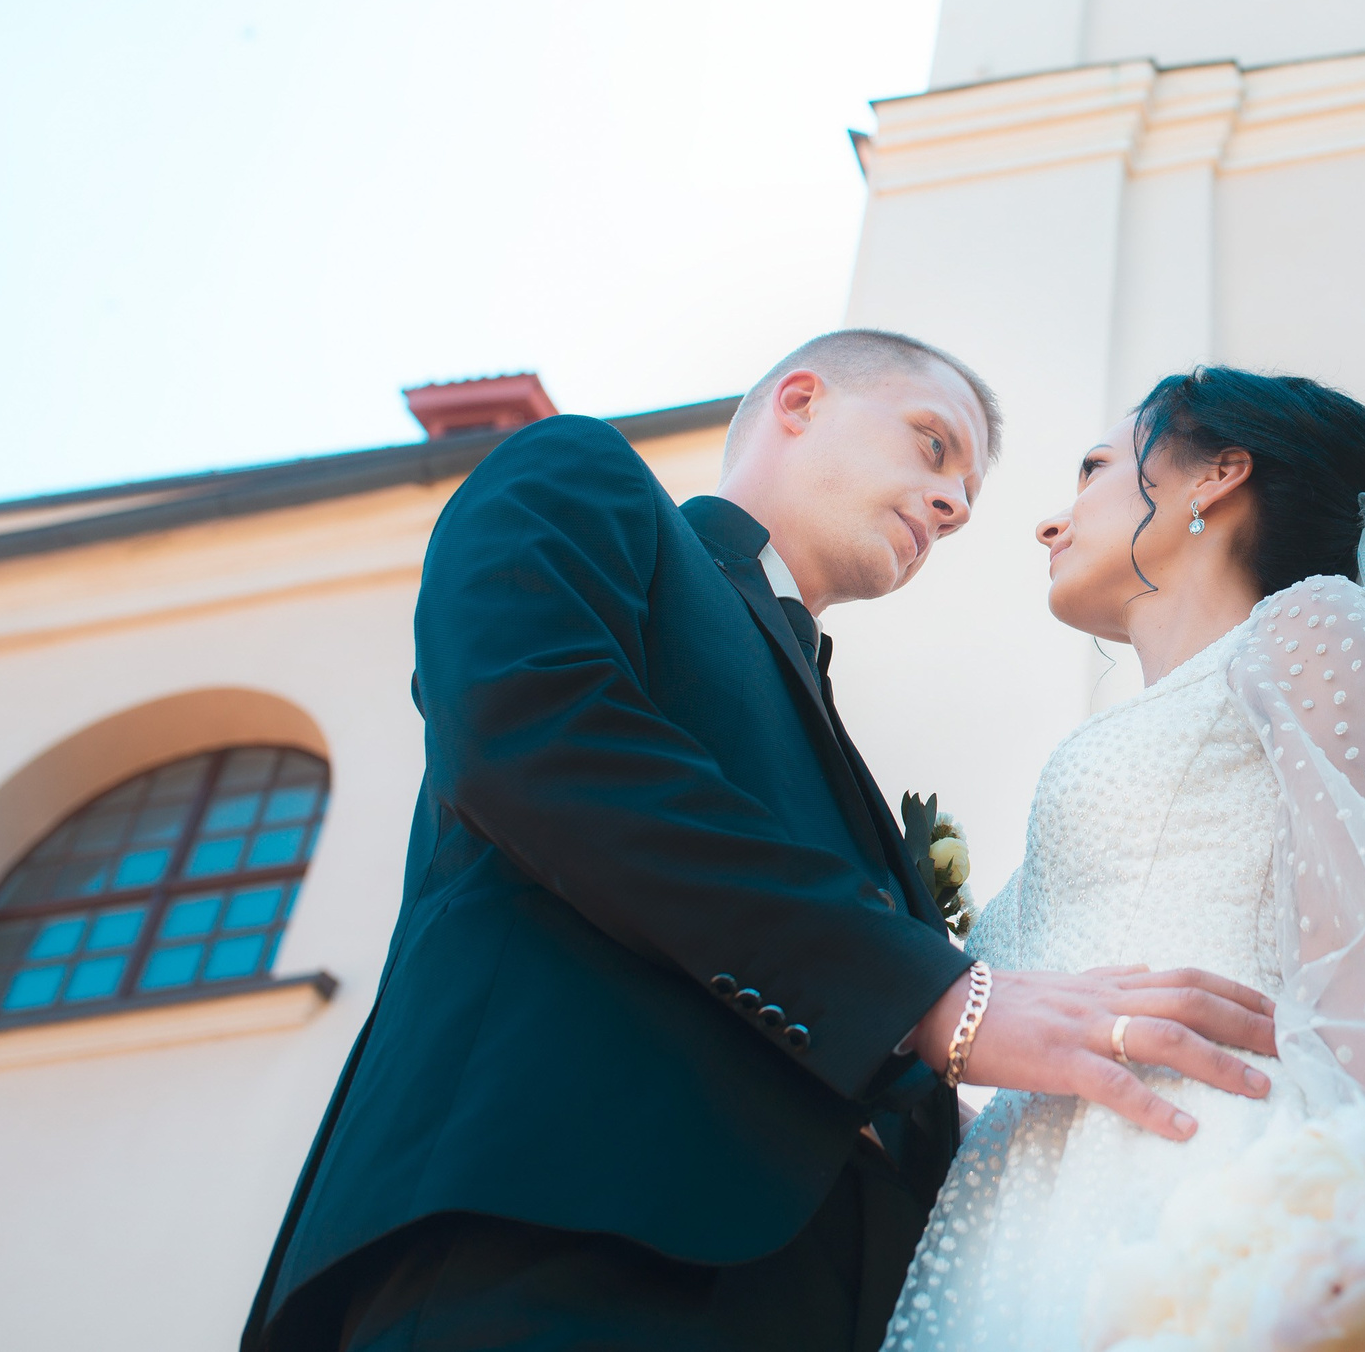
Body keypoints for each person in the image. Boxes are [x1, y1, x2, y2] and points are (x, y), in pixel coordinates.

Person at [242, 330, 1277, 1352]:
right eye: (930, 445)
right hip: (555, 1240)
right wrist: (936, 992)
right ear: (800, 401)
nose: (955, 502)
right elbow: (538, 737)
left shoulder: (829, 722)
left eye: (964, 490)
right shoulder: (579, 474)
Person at [879, 367, 1365, 1352]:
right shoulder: (1133, 728)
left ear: (1217, 474)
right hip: (1017, 1219)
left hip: (1195, 1189)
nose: (1051, 521)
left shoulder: (1307, 626)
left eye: (1093, 468)